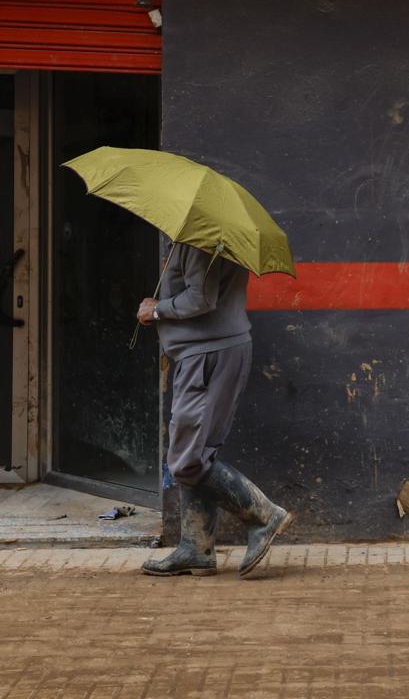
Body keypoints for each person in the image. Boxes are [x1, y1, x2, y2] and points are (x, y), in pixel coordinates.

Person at [136, 241, 292, 577]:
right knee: (197, 451)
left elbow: (201, 299)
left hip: (207, 355)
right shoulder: (206, 239)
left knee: (187, 459)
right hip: (208, 352)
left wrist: (159, 309)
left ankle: (264, 515)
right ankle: (196, 547)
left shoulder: (199, 243)